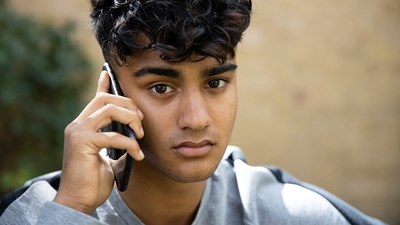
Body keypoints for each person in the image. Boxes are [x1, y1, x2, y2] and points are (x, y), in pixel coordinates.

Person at [0, 0, 387, 224]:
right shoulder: (34, 215)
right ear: (111, 88)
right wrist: (72, 210)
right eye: (162, 87)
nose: (197, 118)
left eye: (215, 82)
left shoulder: (290, 215)